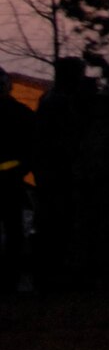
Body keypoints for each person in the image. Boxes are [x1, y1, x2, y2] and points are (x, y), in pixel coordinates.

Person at [33, 56, 100, 291]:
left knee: (58, 227)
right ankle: (56, 275)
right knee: (60, 227)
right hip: (60, 175)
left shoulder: (54, 99)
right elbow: (70, 136)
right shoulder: (59, 102)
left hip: (57, 175)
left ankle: (54, 275)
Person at [0, 66, 36, 293]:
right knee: (13, 232)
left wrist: (18, 171)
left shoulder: (21, 114)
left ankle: (11, 280)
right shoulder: (21, 113)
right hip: (12, 181)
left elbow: (32, 149)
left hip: (11, 183)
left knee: (14, 233)